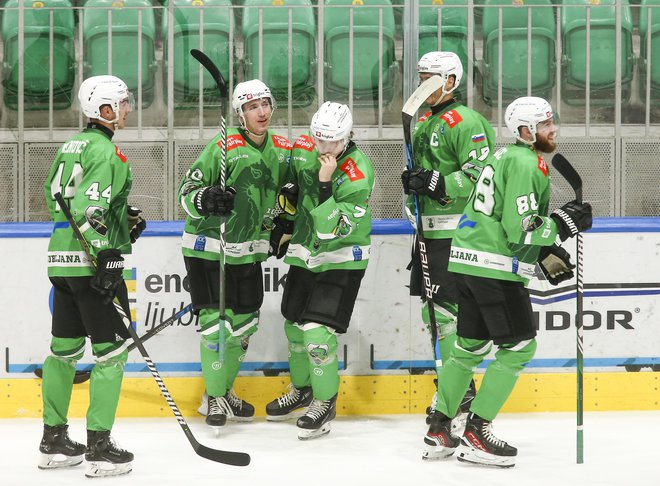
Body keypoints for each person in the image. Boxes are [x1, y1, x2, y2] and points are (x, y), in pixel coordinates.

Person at [428, 96, 592, 467]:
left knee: (468, 347)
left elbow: (501, 219)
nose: (553, 130)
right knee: (519, 348)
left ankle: (439, 427)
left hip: (466, 261)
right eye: (545, 124)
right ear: (525, 131)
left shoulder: (500, 156)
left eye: (552, 122)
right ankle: (475, 432)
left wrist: (545, 250)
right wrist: (564, 225)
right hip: (493, 269)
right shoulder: (526, 163)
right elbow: (520, 228)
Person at [40, 75, 143, 478]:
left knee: (63, 351)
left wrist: (123, 219)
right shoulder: (108, 153)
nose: (127, 109)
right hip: (89, 266)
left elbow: (56, 198)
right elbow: (89, 209)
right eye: (122, 102)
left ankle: (54, 441)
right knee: (112, 353)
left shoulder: (69, 146)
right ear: (104, 110)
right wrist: (108, 254)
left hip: (61, 261)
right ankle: (99, 447)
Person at [178, 79, 292, 431]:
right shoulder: (222, 148)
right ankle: (214, 398)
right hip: (209, 249)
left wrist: (284, 224)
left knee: (244, 328)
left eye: (265, 104)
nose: (261, 111)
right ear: (239, 115)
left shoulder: (282, 150)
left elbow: (291, 195)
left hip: (248, 253)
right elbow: (187, 191)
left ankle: (221, 390)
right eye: (251, 106)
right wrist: (206, 199)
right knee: (216, 330)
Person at [399, 51, 496, 456]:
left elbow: (482, 174)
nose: (421, 86)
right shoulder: (424, 119)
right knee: (434, 315)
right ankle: (460, 395)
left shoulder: (467, 122)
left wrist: (437, 181)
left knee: (447, 317)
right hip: (429, 235)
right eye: (419, 78)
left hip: (458, 237)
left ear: (451, 82)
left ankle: (455, 400)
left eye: (430, 79)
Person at [264, 102, 374, 440]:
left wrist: (325, 183)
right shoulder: (303, 149)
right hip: (305, 253)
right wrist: (283, 219)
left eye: (332, 142)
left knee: (316, 335)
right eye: (319, 140)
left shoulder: (358, 173)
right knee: (295, 327)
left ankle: (325, 401)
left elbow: (332, 229)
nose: (324, 148)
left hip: (341, 257)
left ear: (347, 137)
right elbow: (287, 186)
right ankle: (303, 390)